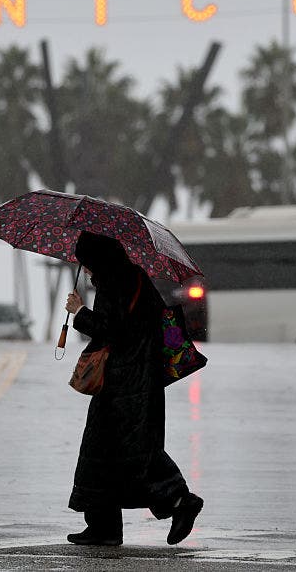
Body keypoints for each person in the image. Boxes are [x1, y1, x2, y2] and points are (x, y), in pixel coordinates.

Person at [63, 231, 203, 546]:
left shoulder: (113, 283)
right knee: (122, 450)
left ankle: (180, 501)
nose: (85, 269)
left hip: (123, 382)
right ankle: (104, 527)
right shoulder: (134, 277)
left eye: (85, 263)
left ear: (97, 259)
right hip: (144, 378)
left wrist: (80, 313)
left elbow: (112, 331)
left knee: (129, 451)